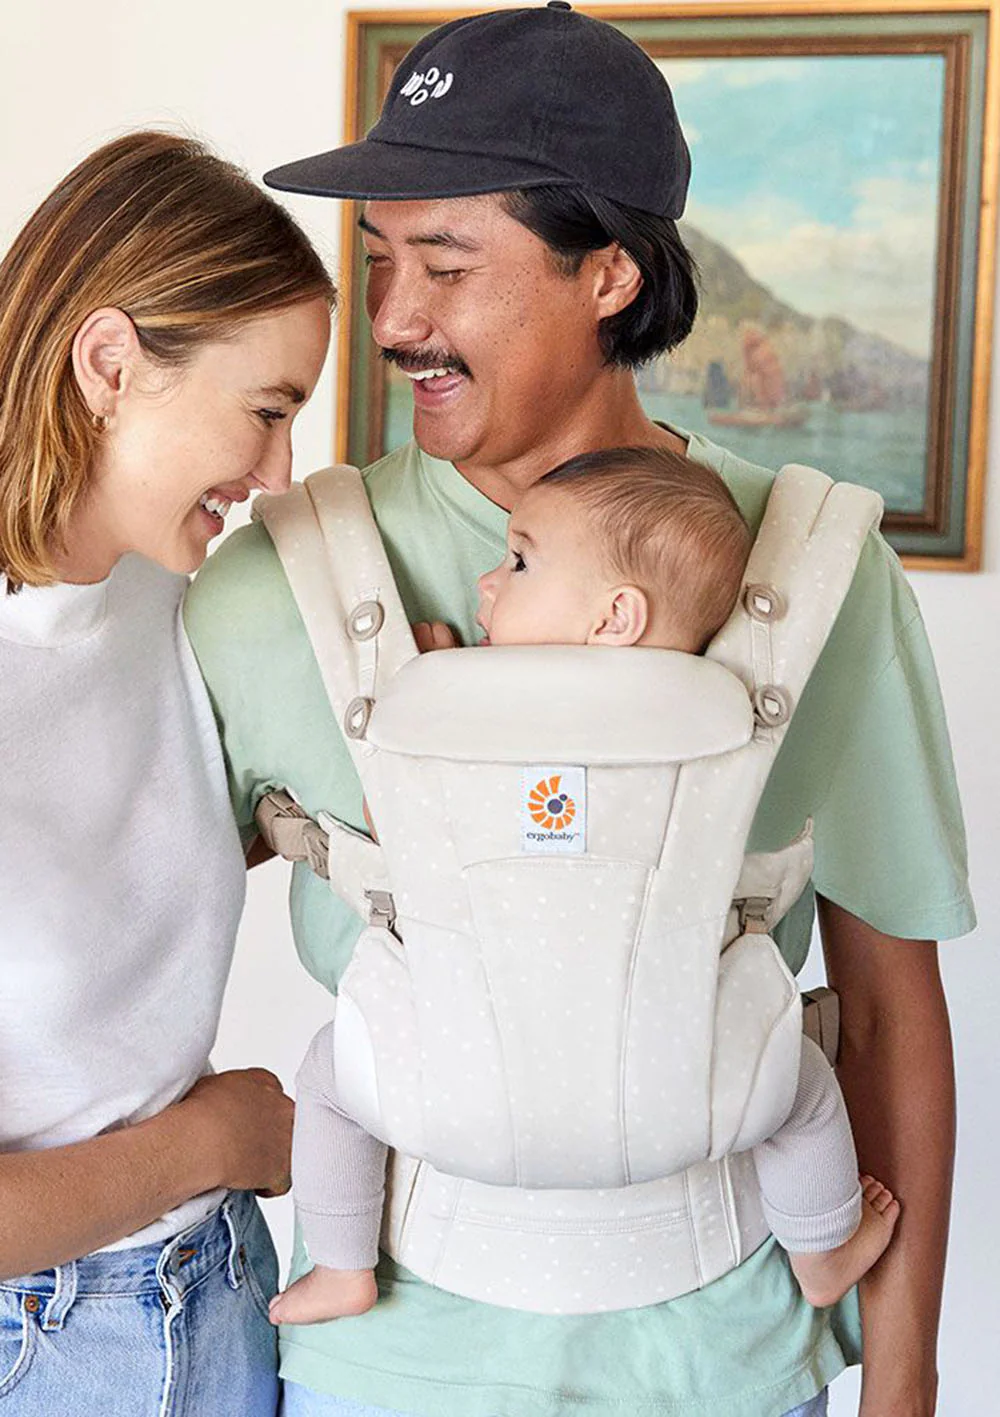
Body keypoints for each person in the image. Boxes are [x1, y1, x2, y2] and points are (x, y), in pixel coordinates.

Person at [186, 6, 972, 1415]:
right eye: (379, 262)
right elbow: (109, 953)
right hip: (383, 1371)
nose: (394, 321)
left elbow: (885, 1010)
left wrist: (901, 1378)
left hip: (727, 1366)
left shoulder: (815, 575)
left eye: (446, 266)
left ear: (610, 272)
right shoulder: (263, 588)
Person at [267, 445, 900, 1330]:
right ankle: (823, 1246)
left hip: (454, 1092)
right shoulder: (714, 728)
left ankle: (342, 1263)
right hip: (681, 1088)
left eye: (519, 561)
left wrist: (423, 693)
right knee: (799, 1080)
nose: (487, 581)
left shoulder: (455, 713)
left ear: (615, 616)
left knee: (329, 1076)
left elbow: (396, 829)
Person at [0, 130, 332, 1414]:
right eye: (268, 411)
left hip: (225, 1299)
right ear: (109, 364)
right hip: (40, 1350)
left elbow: (125, 868)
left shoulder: (165, 598)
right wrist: (206, 1140)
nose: (279, 472)